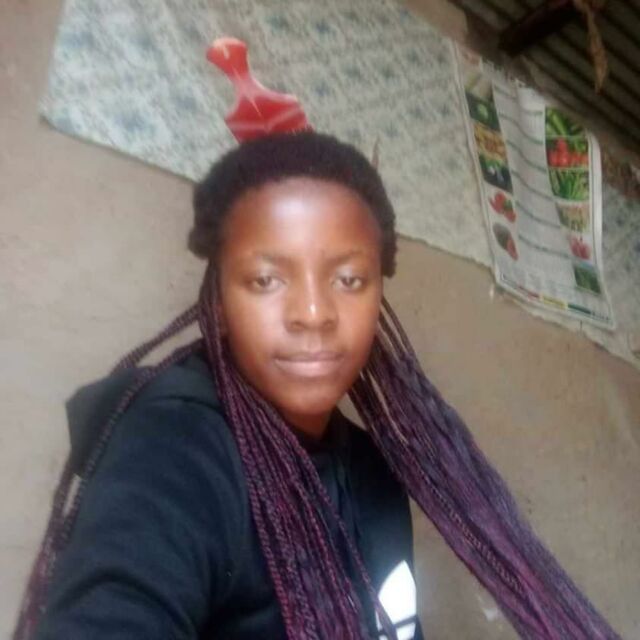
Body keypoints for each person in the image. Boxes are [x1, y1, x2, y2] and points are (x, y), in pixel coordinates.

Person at [15, 131, 619, 640]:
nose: (313, 313)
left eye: (349, 279)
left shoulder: (376, 476)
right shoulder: (175, 450)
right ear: (219, 296)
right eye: (266, 279)